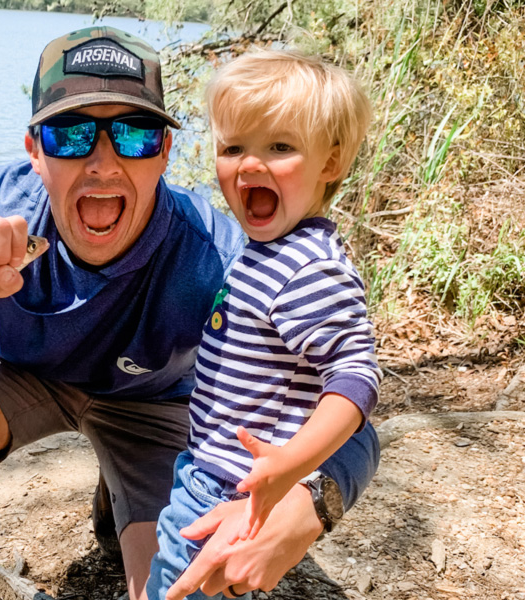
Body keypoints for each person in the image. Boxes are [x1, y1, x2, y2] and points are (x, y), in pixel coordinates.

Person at [0, 27, 380, 600]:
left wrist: (309, 504)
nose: (102, 163)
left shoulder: (214, 257)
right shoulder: (0, 225)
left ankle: (118, 497)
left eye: (134, 134)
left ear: (165, 153)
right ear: (34, 151)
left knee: (185, 586)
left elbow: (356, 414)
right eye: (70, 134)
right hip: (25, 376)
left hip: (153, 406)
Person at [145, 50, 381, 600]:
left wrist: (291, 464)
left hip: (232, 485)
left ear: (330, 163)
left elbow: (356, 376)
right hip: (213, 471)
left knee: (176, 587)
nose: (250, 164)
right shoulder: (269, 249)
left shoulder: (307, 267)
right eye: (233, 148)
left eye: (280, 147)